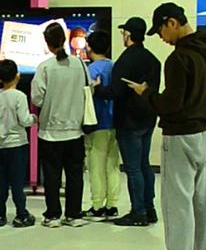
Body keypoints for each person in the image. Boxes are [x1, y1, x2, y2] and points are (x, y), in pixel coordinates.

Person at [135, 3, 206, 250]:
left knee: (177, 202)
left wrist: (147, 94)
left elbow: (171, 104)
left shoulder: (179, 58)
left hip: (180, 135)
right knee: (201, 202)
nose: (161, 37)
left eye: (160, 29)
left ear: (172, 22)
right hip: (203, 134)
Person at [93, 16, 162, 226]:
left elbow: (115, 92)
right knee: (144, 165)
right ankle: (149, 209)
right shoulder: (153, 60)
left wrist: (98, 89)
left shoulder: (125, 60)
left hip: (129, 121)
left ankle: (138, 212)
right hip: (148, 118)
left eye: (124, 33)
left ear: (128, 35)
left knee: (133, 168)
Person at [30, 21, 88, 228]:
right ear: (64, 39)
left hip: (50, 132)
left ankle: (53, 215)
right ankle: (74, 214)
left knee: (52, 176)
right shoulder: (80, 64)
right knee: (75, 175)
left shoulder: (45, 67)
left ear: (47, 43)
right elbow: (88, 89)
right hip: (76, 130)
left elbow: (37, 98)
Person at [0, 59, 36, 228]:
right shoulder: (20, 96)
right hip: (17, 144)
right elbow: (25, 120)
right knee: (17, 182)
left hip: (0, 145)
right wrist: (34, 118)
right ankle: (21, 214)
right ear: (17, 76)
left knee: (1, 180)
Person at [82, 31, 120, 220]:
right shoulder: (114, 67)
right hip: (115, 122)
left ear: (89, 47)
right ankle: (112, 205)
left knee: (96, 166)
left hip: (97, 123)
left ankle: (97, 205)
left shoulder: (89, 70)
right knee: (113, 165)